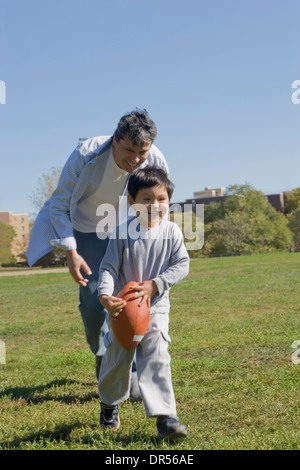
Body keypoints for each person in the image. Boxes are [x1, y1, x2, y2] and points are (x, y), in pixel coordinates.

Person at [26, 110, 169, 388]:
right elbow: (59, 203)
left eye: (142, 151)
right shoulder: (86, 154)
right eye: (129, 149)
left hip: (129, 230)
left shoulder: (155, 159)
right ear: (115, 140)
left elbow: (158, 204)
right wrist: (71, 250)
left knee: (134, 299)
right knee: (93, 305)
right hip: (87, 231)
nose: (136, 159)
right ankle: (103, 356)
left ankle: (134, 370)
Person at [97, 166, 190, 441]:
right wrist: (105, 295)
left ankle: (166, 418)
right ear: (131, 202)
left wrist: (156, 285)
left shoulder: (172, 232)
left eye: (161, 199)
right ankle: (109, 405)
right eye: (146, 199)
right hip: (122, 309)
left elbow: (183, 264)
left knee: (157, 355)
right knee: (117, 360)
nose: (154, 205)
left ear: (169, 202)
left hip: (156, 307)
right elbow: (108, 268)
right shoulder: (121, 232)